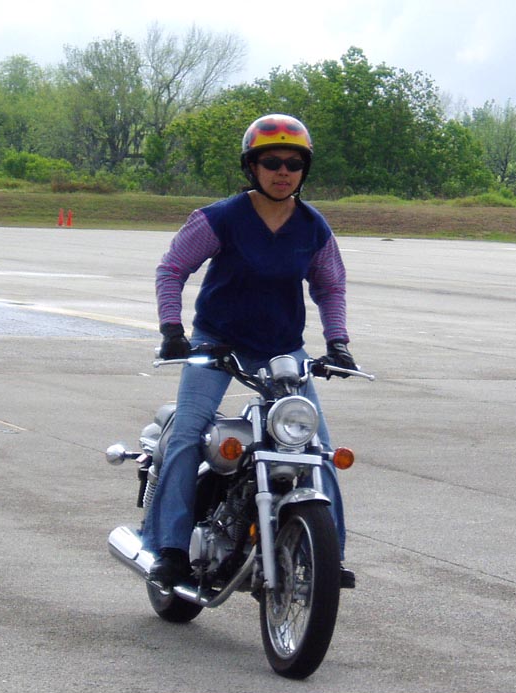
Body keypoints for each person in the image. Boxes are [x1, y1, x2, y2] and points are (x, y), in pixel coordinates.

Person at [142, 113, 359, 589]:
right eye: (272, 162)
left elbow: (330, 287)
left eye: (293, 164)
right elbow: (172, 269)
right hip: (217, 344)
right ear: (252, 167)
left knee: (316, 448)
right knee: (187, 435)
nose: (283, 172)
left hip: (283, 350)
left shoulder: (313, 227)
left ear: (304, 171)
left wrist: (338, 342)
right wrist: (172, 330)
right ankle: (171, 549)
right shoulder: (220, 218)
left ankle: (330, 555)